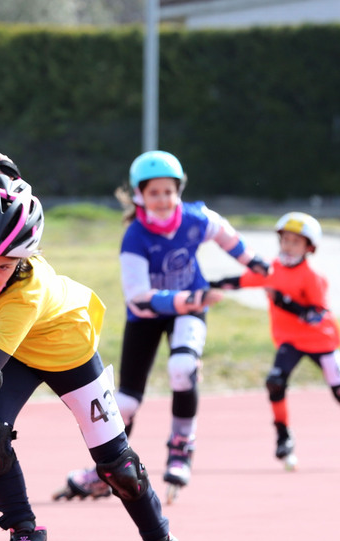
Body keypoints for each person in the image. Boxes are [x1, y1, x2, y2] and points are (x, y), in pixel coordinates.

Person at [0, 153, 235, 541]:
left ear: (23, 261)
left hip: (70, 352)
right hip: (18, 353)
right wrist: (1, 177)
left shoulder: (25, 292)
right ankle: (26, 534)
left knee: (118, 467)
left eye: (4, 267)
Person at [55, 150, 270, 503]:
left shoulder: (196, 218)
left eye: (169, 191)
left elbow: (226, 235)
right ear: (140, 195)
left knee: (183, 368)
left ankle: (181, 446)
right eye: (154, 193)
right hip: (148, 316)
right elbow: (139, 297)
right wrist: (189, 299)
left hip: (189, 309)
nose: (163, 200)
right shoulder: (135, 238)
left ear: (179, 190)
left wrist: (252, 261)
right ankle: (105, 470)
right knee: (123, 403)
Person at [209, 211, 340, 467]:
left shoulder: (313, 277)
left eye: (296, 242)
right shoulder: (271, 269)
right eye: (285, 240)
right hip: (290, 340)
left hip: (321, 342)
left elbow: (316, 315)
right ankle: (283, 436)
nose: (288, 246)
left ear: (309, 248)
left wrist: (285, 302)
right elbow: (240, 281)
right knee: (275, 382)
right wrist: (206, 284)